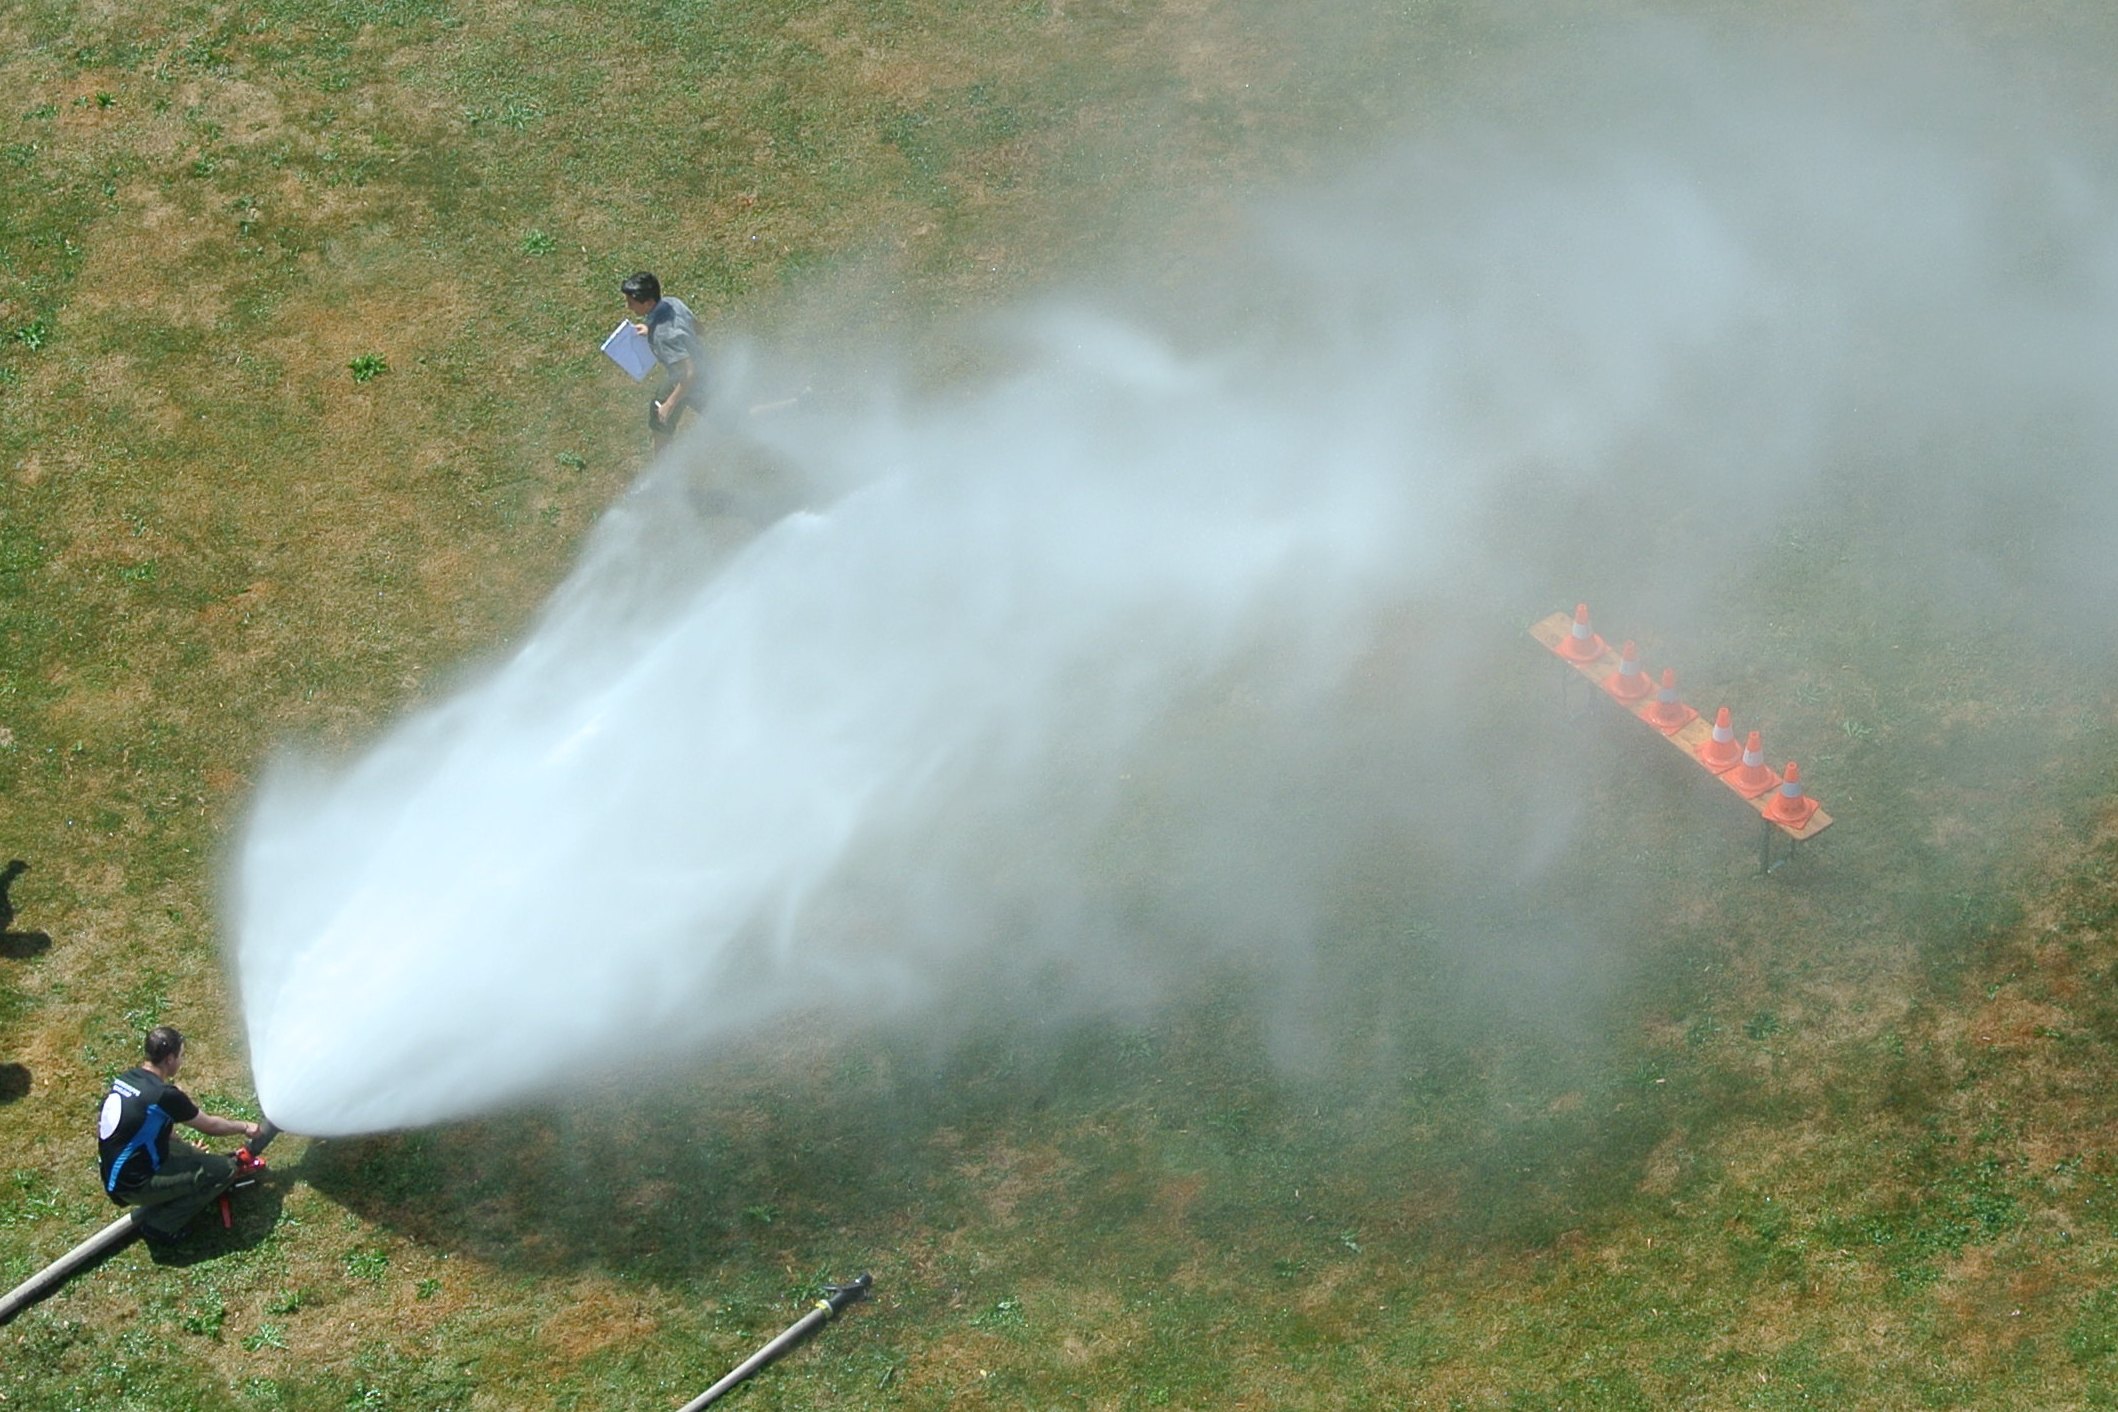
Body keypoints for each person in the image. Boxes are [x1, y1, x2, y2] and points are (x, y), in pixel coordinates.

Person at [96, 1026, 261, 1242]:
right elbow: (210, 1126)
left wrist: (186, 1152)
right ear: (170, 1059)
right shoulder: (165, 1095)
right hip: (134, 1184)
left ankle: (172, 1184)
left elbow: (145, 1124)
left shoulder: (128, 1079)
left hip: (117, 1171)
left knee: (193, 1156)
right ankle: (161, 1227)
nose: (182, 1062)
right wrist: (245, 1126)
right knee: (224, 1170)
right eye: (181, 1056)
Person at [621, 271, 707, 452]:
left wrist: (669, 405)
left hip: (694, 382)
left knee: (734, 422)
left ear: (649, 302)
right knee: (658, 417)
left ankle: (780, 410)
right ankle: (660, 469)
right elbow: (698, 328)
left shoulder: (663, 335)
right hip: (695, 371)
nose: (628, 306)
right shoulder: (671, 303)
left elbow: (689, 374)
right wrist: (651, 329)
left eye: (631, 302)